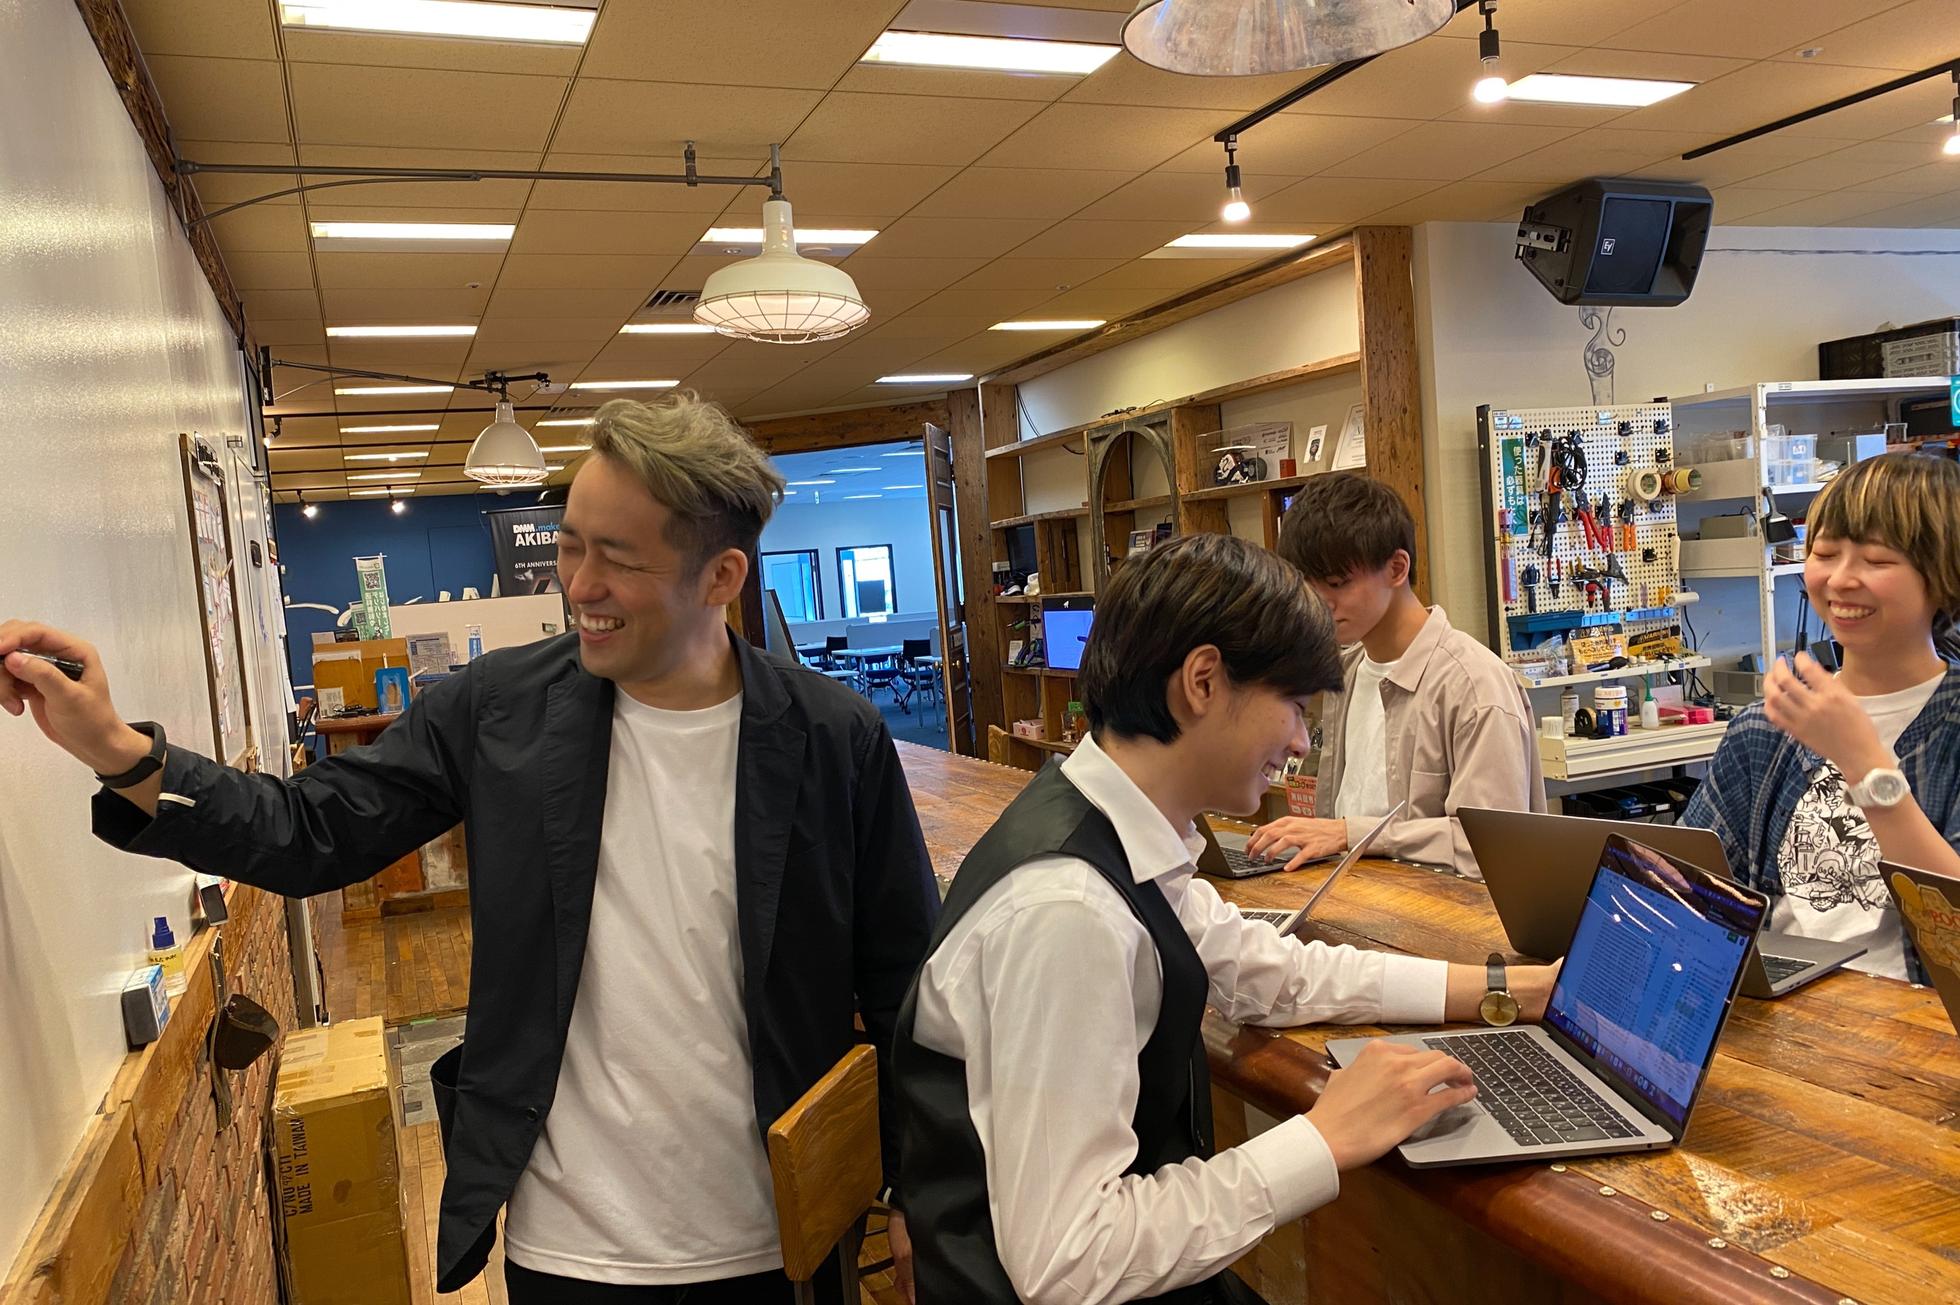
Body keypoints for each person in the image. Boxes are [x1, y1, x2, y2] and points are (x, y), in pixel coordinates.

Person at [0, 393, 939, 1305]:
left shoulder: (832, 739)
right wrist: (121, 752)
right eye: (570, 544)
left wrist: (920, 1192)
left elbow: (908, 988)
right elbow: (309, 828)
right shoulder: (499, 711)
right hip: (569, 1246)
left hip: (778, 1237)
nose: (579, 584)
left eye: (617, 558)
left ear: (720, 577)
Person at [892, 533, 1558, 1305]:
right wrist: (1323, 1136)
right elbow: (1068, 1259)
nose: (1301, 742)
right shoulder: (1068, 910)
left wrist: (1499, 987)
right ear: (1203, 681)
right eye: (1294, 707)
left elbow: (1268, 970)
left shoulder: (1113, 824)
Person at [1685, 452, 1960, 984]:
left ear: (1943, 575)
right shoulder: (1765, 730)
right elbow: (1690, 892)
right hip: (1783, 1016)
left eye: (1877, 560)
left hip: (1918, 1024)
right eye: (1825, 553)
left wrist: (1864, 764)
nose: (1840, 579)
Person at [1245, 472, 1544, 879]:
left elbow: (1491, 848)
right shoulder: (1344, 671)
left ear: (1397, 568)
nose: (1320, 603)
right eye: (1308, 587)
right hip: (1353, 900)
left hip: (1439, 913)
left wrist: (1351, 834)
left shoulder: (1474, 686)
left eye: (1336, 583)